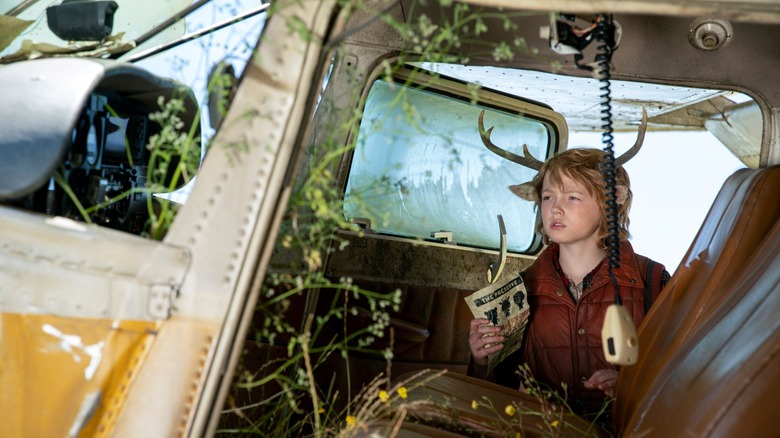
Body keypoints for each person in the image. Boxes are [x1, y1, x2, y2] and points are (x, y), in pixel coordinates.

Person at [468, 147, 669, 421]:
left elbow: (685, 369)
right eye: (548, 196)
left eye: (573, 197)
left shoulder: (653, 280)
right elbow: (496, 393)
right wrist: (481, 361)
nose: (556, 208)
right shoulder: (523, 289)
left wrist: (632, 384)